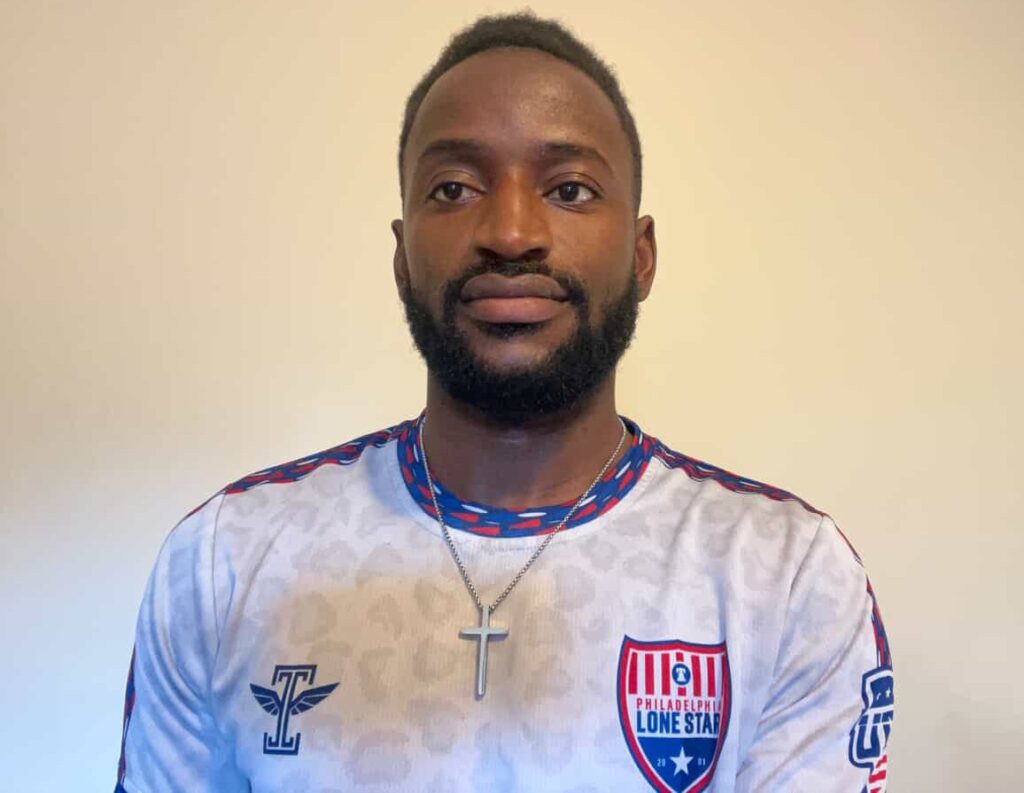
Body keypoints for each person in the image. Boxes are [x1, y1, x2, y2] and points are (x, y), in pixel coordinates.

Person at [115, 11, 893, 793]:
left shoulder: (785, 574)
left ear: (641, 256)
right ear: (402, 258)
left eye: (569, 189)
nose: (512, 233)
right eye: (454, 188)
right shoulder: (225, 561)